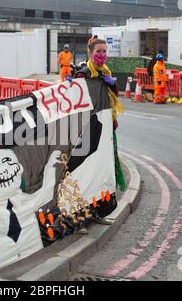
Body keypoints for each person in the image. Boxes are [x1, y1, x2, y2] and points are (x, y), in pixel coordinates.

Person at [73, 36, 126, 224]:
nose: (102, 55)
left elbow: (112, 96)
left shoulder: (106, 71)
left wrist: (113, 84)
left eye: (104, 51)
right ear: (90, 52)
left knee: (102, 171)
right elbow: (76, 101)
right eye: (98, 52)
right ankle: (79, 218)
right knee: (85, 173)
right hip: (88, 131)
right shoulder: (83, 74)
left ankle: (98, 213)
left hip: (106, 129)